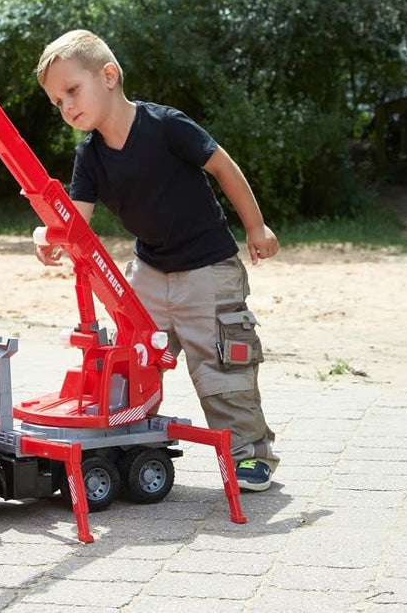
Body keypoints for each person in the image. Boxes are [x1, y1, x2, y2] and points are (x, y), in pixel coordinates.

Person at [33, 29, 280, 491]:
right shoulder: (90, 156)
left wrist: (256, 227)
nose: (66, 106)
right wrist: (55, 238)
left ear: (109, 76)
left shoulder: (166, 126)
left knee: (222, 369)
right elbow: (76, 223)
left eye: (72, 91)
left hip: (208, 270)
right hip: (149, 271)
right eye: (57, 102)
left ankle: (250, 453)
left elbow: (223, 166)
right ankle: (125, 443)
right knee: (129, 362)